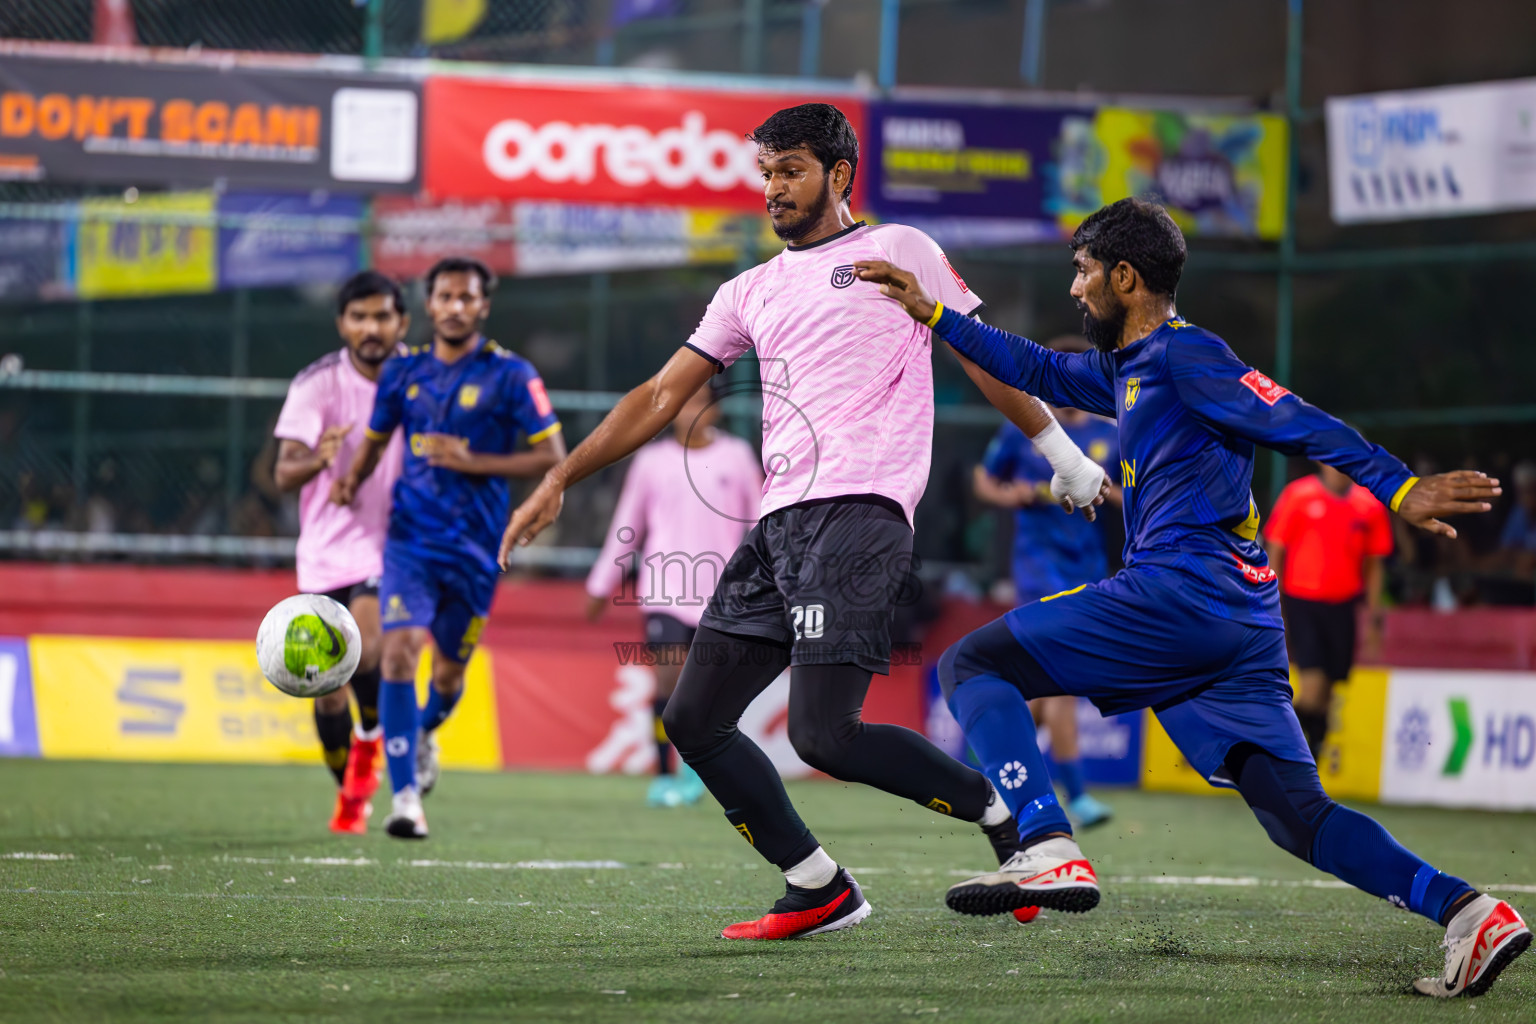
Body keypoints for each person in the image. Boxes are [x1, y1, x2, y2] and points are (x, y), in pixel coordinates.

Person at [855, 196, 1527, 999]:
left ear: (1125, 276)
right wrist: (932, 311)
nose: (1075, 288)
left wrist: (1400, 486)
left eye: (1083, 270)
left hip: (1183, 592)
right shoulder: (1129, 370)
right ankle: (1469, 913)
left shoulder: (1187, 356)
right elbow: (1031, 365)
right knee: (1294, 815)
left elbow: (1299, 421)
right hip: (1240, 620)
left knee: (972, 663)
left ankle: (1042, 839)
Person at [501, 102, 1110, 941]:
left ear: (839, 176)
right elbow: (659, 396)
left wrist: (1063, 456)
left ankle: (1013, 825)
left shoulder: (896, 250)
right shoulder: (746, 290)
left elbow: (984, 355)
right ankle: (817, 885)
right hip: (777, 526)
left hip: (860, 515)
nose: (774, 189)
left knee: (825, 733)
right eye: (766, 173)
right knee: (692, 719)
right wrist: (561, 475)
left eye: (790, 170)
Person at [334, 256, 566, 839]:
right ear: (430, 305)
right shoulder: (402, 373)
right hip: (410, 541)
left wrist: (472, 461)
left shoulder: (511, 375)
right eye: (445, 297)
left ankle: (426, 731)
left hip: (478, 548)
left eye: (467, 298)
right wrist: (352, 479)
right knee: (398, 651)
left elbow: (552, 456)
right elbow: (375, 437)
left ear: (482, 306)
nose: (456, 307)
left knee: (447, 677)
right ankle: (406, 798)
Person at [271, 270, 407, 834]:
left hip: (393, 542)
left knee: (368, 649)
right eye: (359, 317)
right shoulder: (316, 384)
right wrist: (319, 458)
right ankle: (350, 792)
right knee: (325, 691)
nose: (370, 328)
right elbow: (283, 473)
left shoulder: (421, 377)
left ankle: (373, 741)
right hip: (327, 548)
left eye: (381, 316)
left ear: (401, 321)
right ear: (342, 324)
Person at [586, 381, 763, 808]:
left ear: (714, 410)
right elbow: (627, 526)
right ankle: (664, 774)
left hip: (720, 596)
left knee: (702, 694)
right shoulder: (651, 461)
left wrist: (762, 582)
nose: (688, 412)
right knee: (668, 681)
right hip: (663, 592)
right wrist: (600, 584)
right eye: (681, 404)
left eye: (698, 403)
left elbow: (760, 522)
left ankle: (695, 769)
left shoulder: (736, 457)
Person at [974, 334, 1120, 830]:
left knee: (1040, 693)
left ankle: (983, 779)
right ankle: (1076, 796)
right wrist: (1011, 495)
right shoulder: (1024, 430)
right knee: (1059, 679)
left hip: (1087, 568)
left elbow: (1131, 494)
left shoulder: (1111, 433)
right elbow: (983, 480)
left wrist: (1099, 488)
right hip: (1037, 567)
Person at [1264, 462, 1393, 758]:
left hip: (1344, 606)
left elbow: (1375, 564)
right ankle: (1267, 738)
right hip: (1303, 601)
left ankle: (1310, 761)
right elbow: (1276, 548)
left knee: (1328, 692)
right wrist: (1272, 602)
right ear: (1322, 460)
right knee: (1312, 687)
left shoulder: (1369, 506)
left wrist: (1375, 617)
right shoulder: (1298, 495)